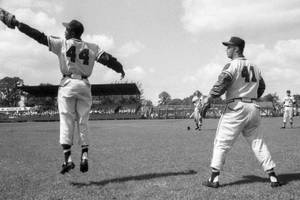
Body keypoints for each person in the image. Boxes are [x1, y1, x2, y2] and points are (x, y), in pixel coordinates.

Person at [1, 11, 125, 174]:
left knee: (66, 120)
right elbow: (107, 59)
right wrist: (120, 68)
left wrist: (18, 23)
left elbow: (38, 36)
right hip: (84, 85)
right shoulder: (92, 47)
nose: (65, 31)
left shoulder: (62, 44)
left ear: (72, 32)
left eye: (67, 29)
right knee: (83, 121)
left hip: (67, 83)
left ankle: (67, 159)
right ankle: (85, 156)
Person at [202, 36, 281, 188]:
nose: (227, 49)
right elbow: (262, 86)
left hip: (235, 107)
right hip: (253, 108)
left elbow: (222, 83)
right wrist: (251, 96)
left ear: (237, 49)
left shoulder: (232, 65)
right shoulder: (255, 67)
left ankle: (214, 179)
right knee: (258, 143)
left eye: (229, 47)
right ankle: (273, 178)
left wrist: (210, 97)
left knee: (221, 143)